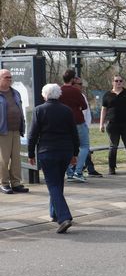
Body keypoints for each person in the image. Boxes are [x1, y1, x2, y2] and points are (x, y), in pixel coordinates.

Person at [27, 83, 79, 233]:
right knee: (58, 182)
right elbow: (74, 133)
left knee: (53, 185)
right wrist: (74, 153)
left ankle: (64, 217)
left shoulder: (39, 110)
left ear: (44, 95)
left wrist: (31, 154)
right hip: (65, 151)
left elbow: (33, 135)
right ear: (59, 94)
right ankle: (54, 213)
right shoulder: (67, 110)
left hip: (47, 151)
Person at [99, 75, 126, 175]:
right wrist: (101, 124)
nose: (118, 83)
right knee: (113, 146)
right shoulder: (107, 95)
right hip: (112, 125)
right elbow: (103, 110)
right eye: (116, 81)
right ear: (112, 82)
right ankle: (111, 168)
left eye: (120, 81)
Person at [0, 68, 29, 194]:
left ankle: (16, 183)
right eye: (7, 77)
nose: (10, 79)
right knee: (3, 159)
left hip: (16, 130)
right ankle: (3, 183)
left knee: (16, 159)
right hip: (3, 131)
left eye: (10, 77)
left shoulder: (15, 93)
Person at [59, 69, 89, 183]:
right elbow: (84, 106)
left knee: (67, 147)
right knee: (84, 146)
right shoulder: (76, 91)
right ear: (72, 79)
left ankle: (69, 173)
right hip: (78, 121)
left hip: (63, 123)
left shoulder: (59, 90)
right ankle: (78, 171)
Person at [73, 76, 103, 177]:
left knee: (84, 148)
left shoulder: (82, 95)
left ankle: (89, 168)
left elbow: (87, 112)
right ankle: (77, 170)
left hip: (83, 125)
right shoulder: (71, 96)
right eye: (80, 84)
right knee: (82, 148)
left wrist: (86, 126)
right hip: (75, 127)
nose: (82, 86)